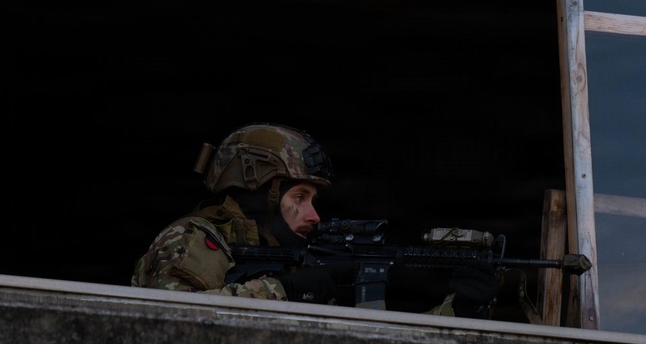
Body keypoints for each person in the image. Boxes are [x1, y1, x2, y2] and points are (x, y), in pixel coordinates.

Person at [131, 122, 500, 318]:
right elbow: (170, 318)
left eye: (313, 200)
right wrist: (286, 292)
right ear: (263, 198)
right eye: (299, 197)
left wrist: (461, 310)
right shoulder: (193, 237)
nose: (314, 215)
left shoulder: (297, 268)